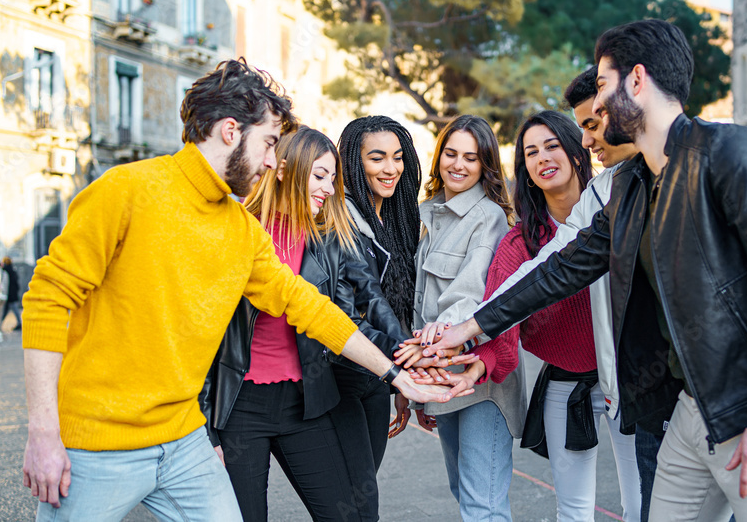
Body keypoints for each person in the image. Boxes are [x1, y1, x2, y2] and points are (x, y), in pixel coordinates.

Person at [20, 59, 463, 520]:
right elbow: (47, 301)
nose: (275, 160)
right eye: (270, 143)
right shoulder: (125, 190)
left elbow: (308, 306)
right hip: (98, 446)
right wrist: (44, 435)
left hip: (183, 441)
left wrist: (396, 375)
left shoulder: (240, 231)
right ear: (231, 131)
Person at [420, 19, 747, 522]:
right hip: (688, 412)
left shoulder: (732, 152)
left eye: (605, 86)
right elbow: (559, 270)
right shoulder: (628, 188)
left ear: (637, 81)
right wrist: (467, 328)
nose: (597, 106)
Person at [200, 127, 414, 521]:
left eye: (332, 178)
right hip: (239, 407)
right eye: (319, 176)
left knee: (348, 516)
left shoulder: (328, 236)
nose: (329, 189)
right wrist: (205, 430)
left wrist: (408, 359)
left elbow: (351, 314)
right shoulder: (235, 229)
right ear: (284, 170)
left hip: (305, 401)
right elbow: (200, 337)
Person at [465, 109, 641, 522]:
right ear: (524, 169)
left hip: (632, 377)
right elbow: (501, 307)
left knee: (643, 502)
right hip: (565, 384)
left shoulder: (622, 210)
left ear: (578, 150)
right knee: (574, 511)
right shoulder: (519, 242)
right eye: (531, 152)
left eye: (552, 145)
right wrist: (482, 359)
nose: (543, 157)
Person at [396, 114, 524, 521]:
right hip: (437, 371)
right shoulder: (426, 213)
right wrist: (415, 383)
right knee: (463, 490)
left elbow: (470, 291)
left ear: (485, 165)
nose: (458, 165)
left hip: (479, 377)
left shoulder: (488, 217)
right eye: (451, 153)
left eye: (471, 158)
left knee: (482, 503)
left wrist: (438, 333)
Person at [331, 115, 425, 521]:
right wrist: (403, 368)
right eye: (377, 158)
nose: (391, 169)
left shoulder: (398, 220)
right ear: (354, 161)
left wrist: (398, 379)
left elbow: (399, 303)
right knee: (357, 500)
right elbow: (359, 307)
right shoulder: (342, 221)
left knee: (363, 490)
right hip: (345, 373)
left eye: (398, 157)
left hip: (380, 374)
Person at [2, 256, 23, 331]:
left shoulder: (5, 271)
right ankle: (0, 323)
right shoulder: (13, 270)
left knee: (11, 308)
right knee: (9, 309)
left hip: (9, 293)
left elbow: (5, 283)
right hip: (13, 292)